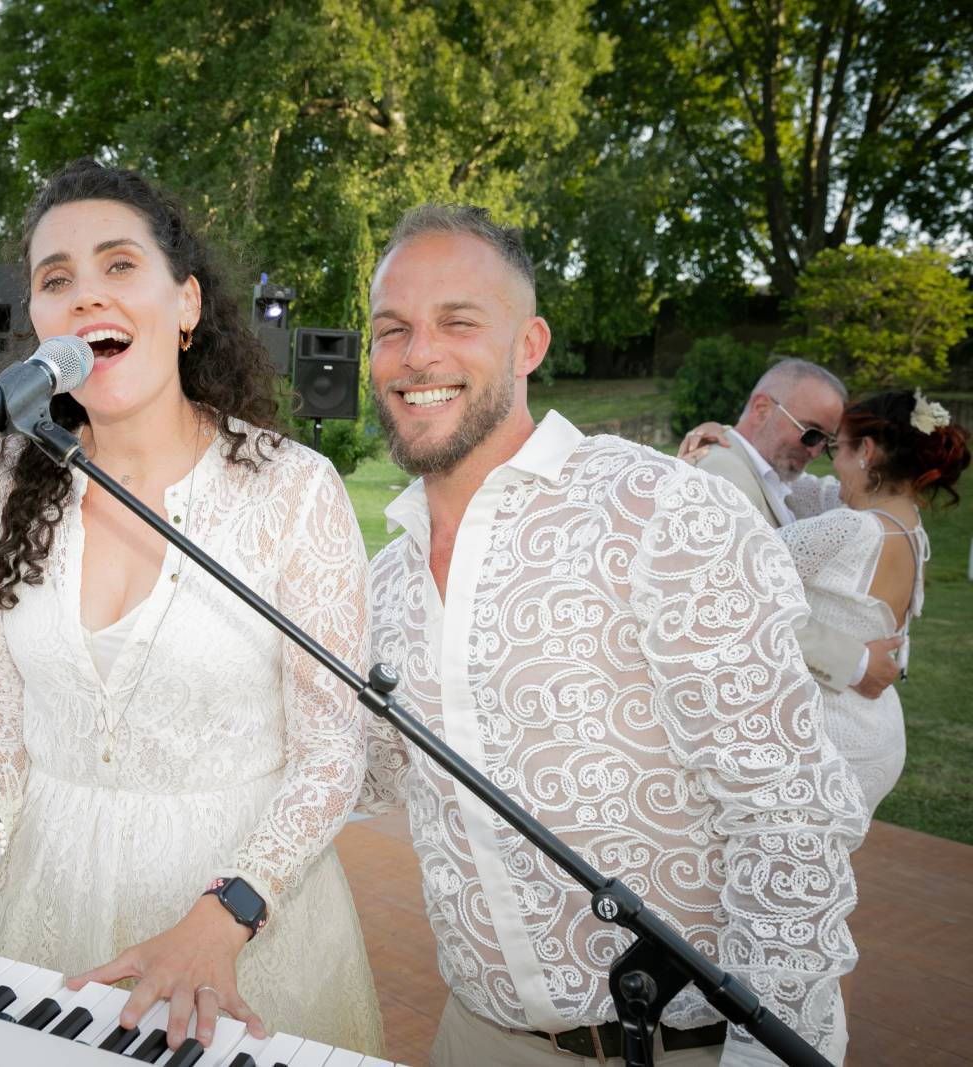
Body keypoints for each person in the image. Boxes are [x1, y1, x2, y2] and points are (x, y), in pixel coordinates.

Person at [0, 159, 384, 1055]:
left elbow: (332, 749)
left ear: (187, 304)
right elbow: (0, 713)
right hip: (51, 893)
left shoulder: (293, 490)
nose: (86, 297)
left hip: (246, 920)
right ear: (36, 322)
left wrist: (227, 912)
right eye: (56, 280)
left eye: (119, 266)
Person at [357, 204, 866, 1066]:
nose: (417, 355)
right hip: (472, 1037)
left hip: (679, 1048)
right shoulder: (386, 577)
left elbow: (787, 820)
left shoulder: (664, 514)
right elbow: (364, 771)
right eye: (391, 329)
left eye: (458, 322)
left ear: (529, 345)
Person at [699, 390, 967, 813]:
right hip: (877, 734)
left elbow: (734, 578)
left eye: (837, 449)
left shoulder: (847, 528)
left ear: (867, 451)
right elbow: (780, 477)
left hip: (826, 743)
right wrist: (723, 436)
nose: (830, 462)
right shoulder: (911, 528)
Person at [682, 360, 904, 698]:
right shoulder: (722, 476)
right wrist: (856, 664)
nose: (815, 451)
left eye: (827, 442)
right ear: (761, 408)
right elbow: (731, 602)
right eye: (811, 433)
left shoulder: (773, 475)